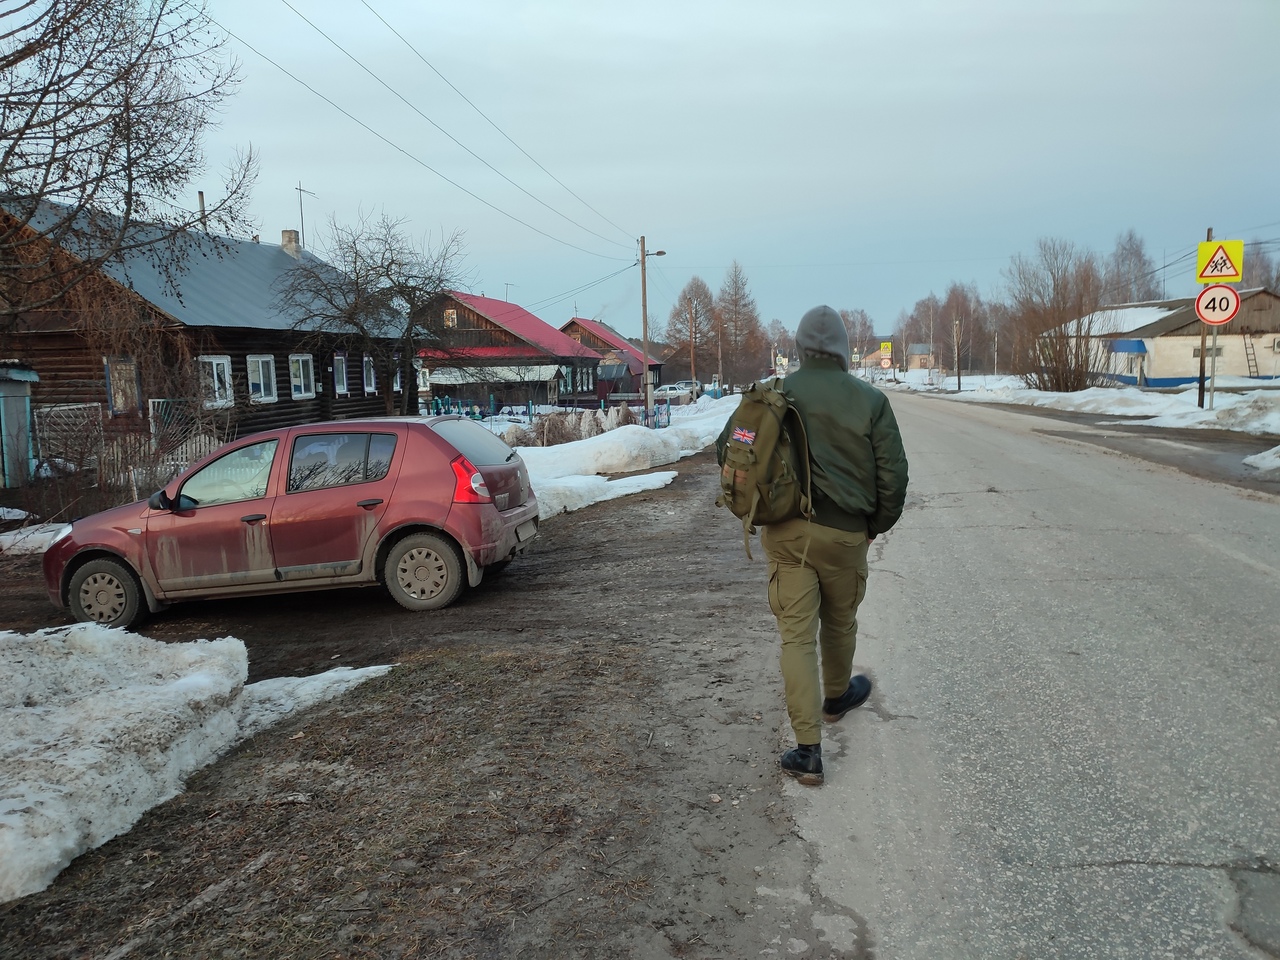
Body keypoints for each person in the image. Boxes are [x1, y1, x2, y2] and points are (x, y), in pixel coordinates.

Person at [725, 304, 909, 786]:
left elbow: (730, 450)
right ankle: (836, 697)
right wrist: (874, 526)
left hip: (787, 535)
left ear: (800, 349)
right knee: (841, 619)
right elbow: (894, 478)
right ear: (844, 350)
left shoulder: (774, 394)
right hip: (846, 535)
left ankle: (807, 752)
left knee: (796, 637)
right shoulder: (871, 401)